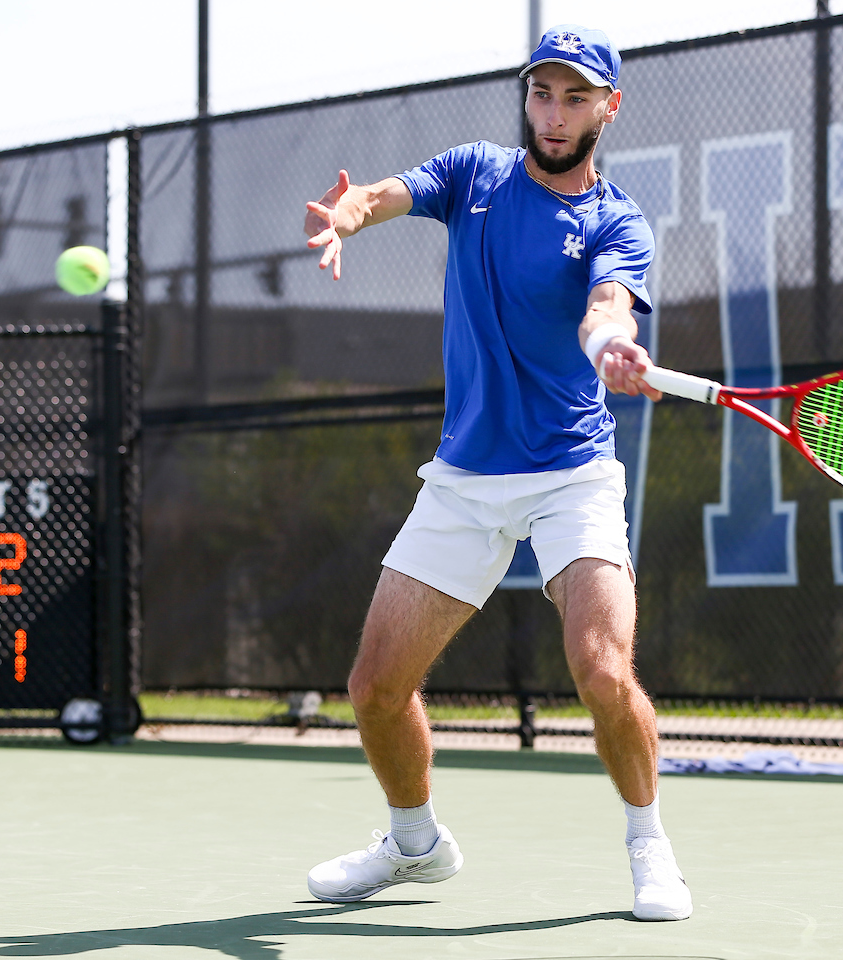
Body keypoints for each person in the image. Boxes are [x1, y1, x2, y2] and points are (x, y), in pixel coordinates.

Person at [300, 25, 692, 922]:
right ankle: (413, 845)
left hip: (571, 472)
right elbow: (387, 196)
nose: (553, 115)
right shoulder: (476, 173)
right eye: (541, 93)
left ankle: (649, 845)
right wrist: (346, 213)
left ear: (608, 108)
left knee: (600, 668)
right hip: (466, 476)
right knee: (373, 688)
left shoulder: (615, 220)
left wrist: (613, 347)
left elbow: (607, 305)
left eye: (575, 98)